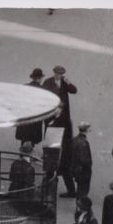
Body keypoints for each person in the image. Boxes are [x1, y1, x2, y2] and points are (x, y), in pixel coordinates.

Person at [43, 65, 78, 195]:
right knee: (52, 150)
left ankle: (55, 182)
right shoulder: (48, 82)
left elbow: (74, 90)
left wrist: (69, 83)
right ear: (54, 73)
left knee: (65, 149)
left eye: (61, 74)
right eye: (58, 74)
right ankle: (51, 184)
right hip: (52, 120)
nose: (59, 76)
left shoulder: (64, 82)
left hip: (64, 121)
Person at [16, 68, 48, 147]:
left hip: (25, 119)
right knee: (32, 141)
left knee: (24, 140)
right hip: (35, 120)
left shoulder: (25, 87)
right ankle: (29, 157)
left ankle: (23, 157)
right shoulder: (43, 90)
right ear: (39, 78)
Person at [71, 123, 94, 199]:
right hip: (83, 171)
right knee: (83, 190)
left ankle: (79, 206)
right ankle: (80, 207)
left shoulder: (74, 139)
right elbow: (84, 160)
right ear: (86, 130)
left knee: (80, 188)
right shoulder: (83, 143)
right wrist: (89, 166)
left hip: (76, 169)